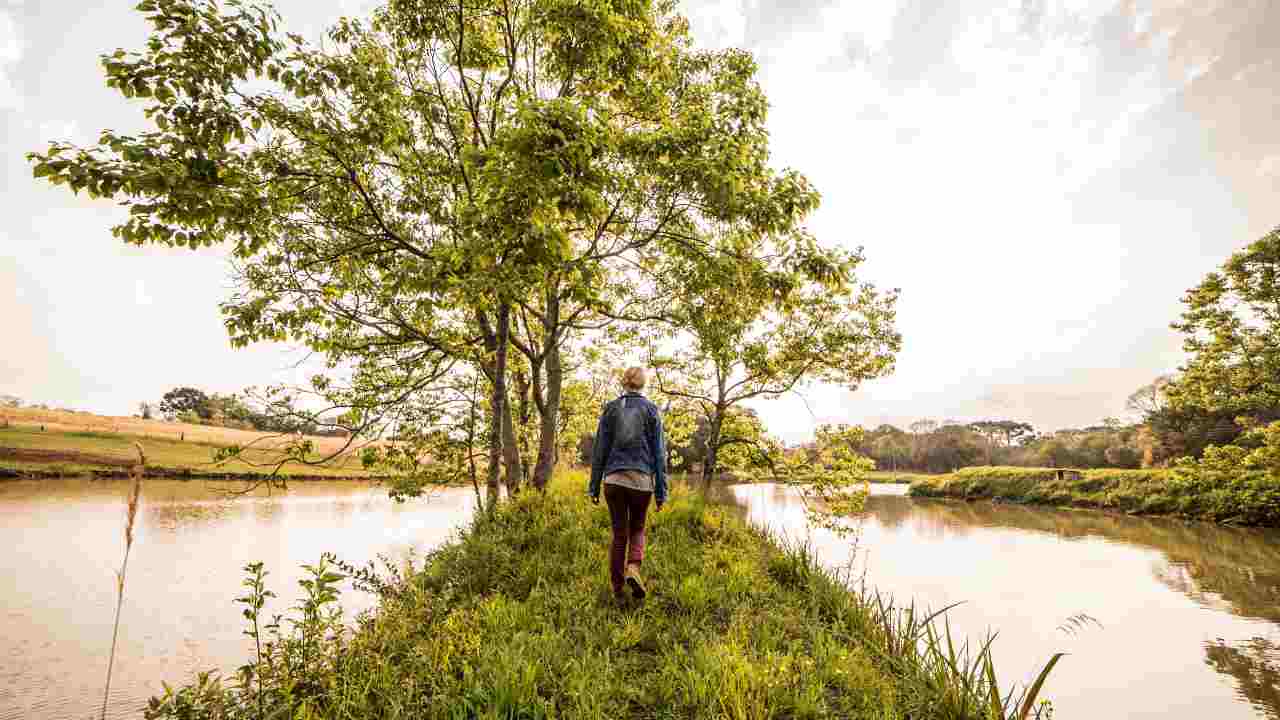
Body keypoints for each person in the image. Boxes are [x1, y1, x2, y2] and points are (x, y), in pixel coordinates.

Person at [588, 366, 668, 603]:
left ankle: (618, 591)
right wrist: (662, 490)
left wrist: (593, 485)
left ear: (624, 383)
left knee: (619, 534)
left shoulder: (611, 408)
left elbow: (599, 449)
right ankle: (633, 567)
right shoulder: (652, 410)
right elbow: (659, 454)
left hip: (613, 479)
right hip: (641, 480)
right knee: (637, 528)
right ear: (643, 384)